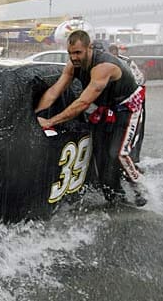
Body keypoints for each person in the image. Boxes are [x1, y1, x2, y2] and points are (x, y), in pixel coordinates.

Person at [36, 30, 147, 207]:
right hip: (107, 107)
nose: (74, 57)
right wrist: (36, 115)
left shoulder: (103, 66)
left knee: (118, 153)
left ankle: (141, 187)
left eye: (78, 52)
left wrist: (50, 122)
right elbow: (54, 91)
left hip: (128, 107)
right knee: (101, 156)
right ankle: (116, 196)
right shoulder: (72, 65)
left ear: (89, 48)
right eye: (71, 53)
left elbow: (84, 102)